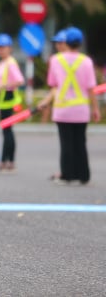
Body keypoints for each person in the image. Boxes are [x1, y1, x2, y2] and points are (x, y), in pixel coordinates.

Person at [39, 27, 100, 185]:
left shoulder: (55, 60)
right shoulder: (86, 61)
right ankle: (84, 175)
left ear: (66, 42)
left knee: (66, 143)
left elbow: (53, 83)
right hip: (81, 109)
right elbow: (91, 88)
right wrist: (95, 109)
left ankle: (67, 175)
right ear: (80, 43)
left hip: (63, 109)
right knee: (80, 142)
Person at [0, 33, 25, 173]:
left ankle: (6, 161)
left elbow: (19, 80)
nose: (1, 50)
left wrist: (4, 86)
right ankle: (8, 161)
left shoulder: (10, 63)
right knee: (7, 131)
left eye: (3, 47)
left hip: (8, 99)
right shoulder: (3, 62)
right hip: (3, 100)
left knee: (7, 131)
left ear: (9, 48)